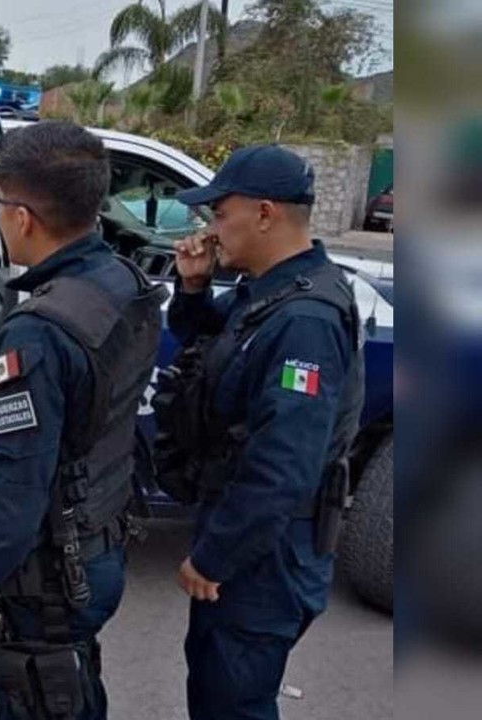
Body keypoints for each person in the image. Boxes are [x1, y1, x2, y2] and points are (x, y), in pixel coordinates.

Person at [0, 121, 167, 720]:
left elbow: (17, 494)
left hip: (55, 575)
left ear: (23, 217)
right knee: (74, 685)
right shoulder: (123, 280)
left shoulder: (37, 333)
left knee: (38, 691)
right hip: (101, 538)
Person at [158, 145, 364, 720]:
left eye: (221, 214)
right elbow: (212, 350)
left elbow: (284, 466)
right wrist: (194, 289)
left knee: (234, 703)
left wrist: (214, 557)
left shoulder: (306, 320)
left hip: (264, 555)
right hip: (247, 538)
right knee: (216, 689)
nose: (212, 230)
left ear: (267, 213)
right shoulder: (267, 290)